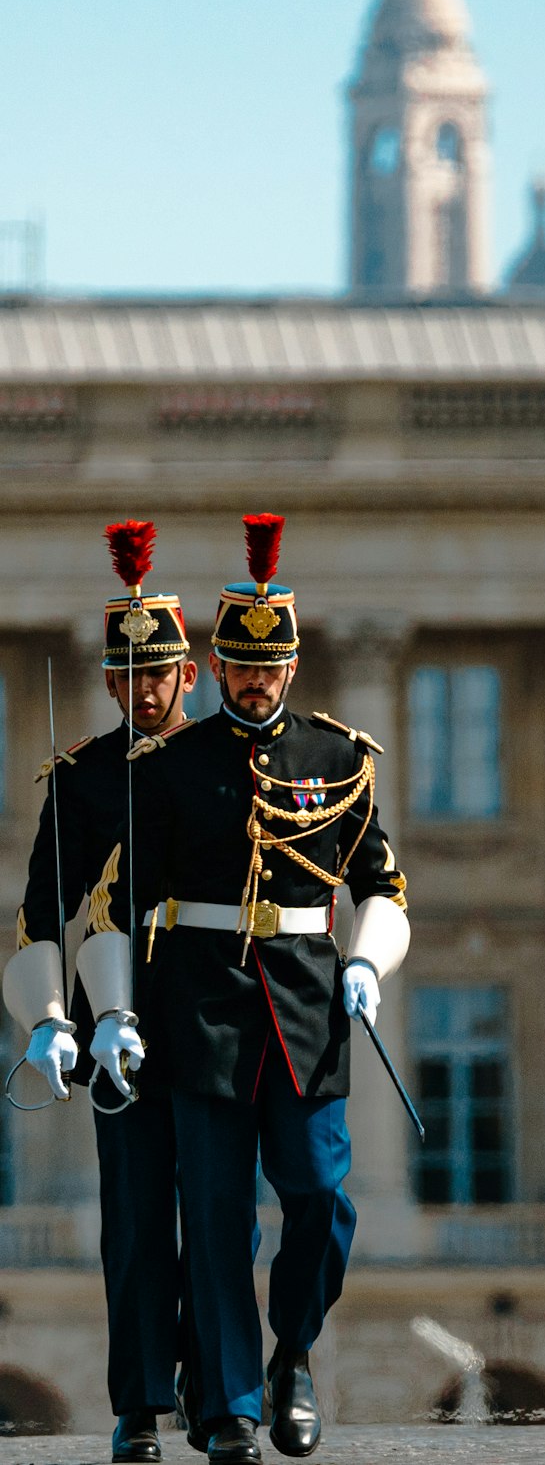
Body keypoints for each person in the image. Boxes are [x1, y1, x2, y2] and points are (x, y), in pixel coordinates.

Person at [81, 513, 410, 1465]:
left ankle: (292, 1356)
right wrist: (113, 1014)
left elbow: (380, 884)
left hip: (307, 1002)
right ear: (214, 668)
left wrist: (367, 961)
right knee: (216, 1212)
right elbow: (117, 902)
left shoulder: (338, 759)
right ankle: (226, 1406)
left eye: (271, 667)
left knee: (319, 1195)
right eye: (239, 665)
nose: (256, 681)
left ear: (293, 666)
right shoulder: (171, 767)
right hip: (199, 1004)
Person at [2, 521, 199, 1464]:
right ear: (111, 682)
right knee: (132, 1226)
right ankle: (140, 1405)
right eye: (126, 677)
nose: (142, 690)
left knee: (215, 1219)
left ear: (187, 674)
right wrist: (48, 1020)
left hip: (218, 1018)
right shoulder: (81, 778)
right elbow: (41, 913)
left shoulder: (230, 765)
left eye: (157, 673)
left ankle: (225, 1394)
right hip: (118, 1022)